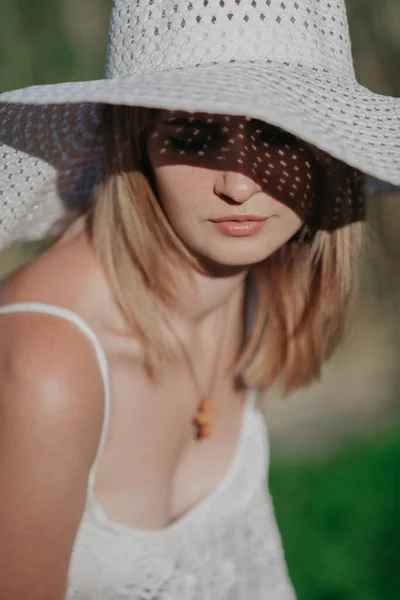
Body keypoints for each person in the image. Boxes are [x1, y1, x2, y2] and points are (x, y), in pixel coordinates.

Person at [0, 1, 398, 599]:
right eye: (196, 135)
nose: (237, 186)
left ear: (327, 151)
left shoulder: (259, 291)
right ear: (136, 141)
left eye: (278, 134)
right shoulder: (47, 365)